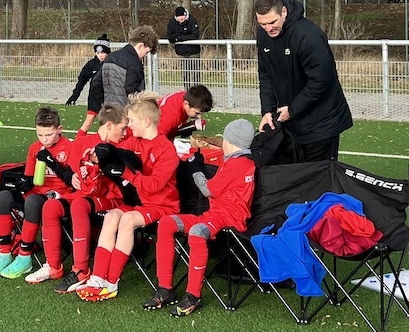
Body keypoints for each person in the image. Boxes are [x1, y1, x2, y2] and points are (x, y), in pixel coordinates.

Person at [144, 118, 257, 317]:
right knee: (167, 223)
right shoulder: (241, 161)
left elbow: (207, 190)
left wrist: (195, 169)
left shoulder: (237, 164)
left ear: (230, 142)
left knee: (197, 232)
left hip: (230, 218)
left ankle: (193, 295)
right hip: (215, 215)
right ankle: (165, 288)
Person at [77, 92, 180, 302]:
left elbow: (154, 185)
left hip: (162, 205)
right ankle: (98, 277)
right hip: (139, 203)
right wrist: (99, 156)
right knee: (111, 216)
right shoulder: (135, 141)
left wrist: (125, 172)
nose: (129, 126)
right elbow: (118, 154)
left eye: (131, 121)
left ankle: (111, 282)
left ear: (146, 121)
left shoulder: (167, 150)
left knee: (127, 220)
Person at [27, 103, 130, 289]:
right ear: (109, 125)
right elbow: (71, 172)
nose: (124, 133)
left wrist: (101, 165)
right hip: (82, 194)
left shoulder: (122, 146)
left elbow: (125, 179)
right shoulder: (83, 143)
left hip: (110, 197)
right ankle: (53, 266)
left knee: (79, 205)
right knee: (50, 206)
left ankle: (81, 269)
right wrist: (73, 177)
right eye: (122, 128)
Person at [254, 0, 353, 162]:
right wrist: (267, 111)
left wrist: (292, 110)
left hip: (321, 122)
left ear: (283, 12)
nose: (268, 28)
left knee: (319, 175)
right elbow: (266, 75)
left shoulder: (308, 35)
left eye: (272, 22)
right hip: (291, 123)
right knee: (294, 173)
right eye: (263, 24)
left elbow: (321, 80)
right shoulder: (263, 35)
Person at [0, 107, 75, 279]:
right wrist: (23, 184)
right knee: (3, 197)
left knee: (33, 201)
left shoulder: (69, 147)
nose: (44, 139)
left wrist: (51, 160)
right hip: (37, 191)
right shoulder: (34, 148)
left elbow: (71, 181)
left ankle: (24, 257)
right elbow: (29, 178)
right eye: (39, 135)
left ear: (59, 129)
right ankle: (5, 254)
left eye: (49, 135)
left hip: (59, 195)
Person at [86, 25, 157, 125]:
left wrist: (104, 105)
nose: (144, 56)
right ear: (140, 46)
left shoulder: (110, 57)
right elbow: (133, 92)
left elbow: (96, 83)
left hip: (109, 111)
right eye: (146, 52)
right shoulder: (134, 63)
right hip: (124, 115)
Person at [66, 35, 110, 115]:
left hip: (109, 99)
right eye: (98, 53)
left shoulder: (112, 63)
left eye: (103, 53)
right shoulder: (91, 64)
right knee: (89, 120)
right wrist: (75, 95)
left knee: (108, 120)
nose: (100, 55)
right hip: (94, 99)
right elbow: (82, 80)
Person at [166, 6, 202, 85]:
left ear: (185, 15)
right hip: (181, 53)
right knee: (185, 74)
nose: (181, 18)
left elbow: (195, 35)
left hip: (193, 52)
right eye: (179, 16)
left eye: (182, 15)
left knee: (195, 74)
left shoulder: (192, 20)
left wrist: (180, 38)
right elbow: (170, 36)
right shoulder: (172, 23)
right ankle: (187, 90)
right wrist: (177, 37)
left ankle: (197, 91)